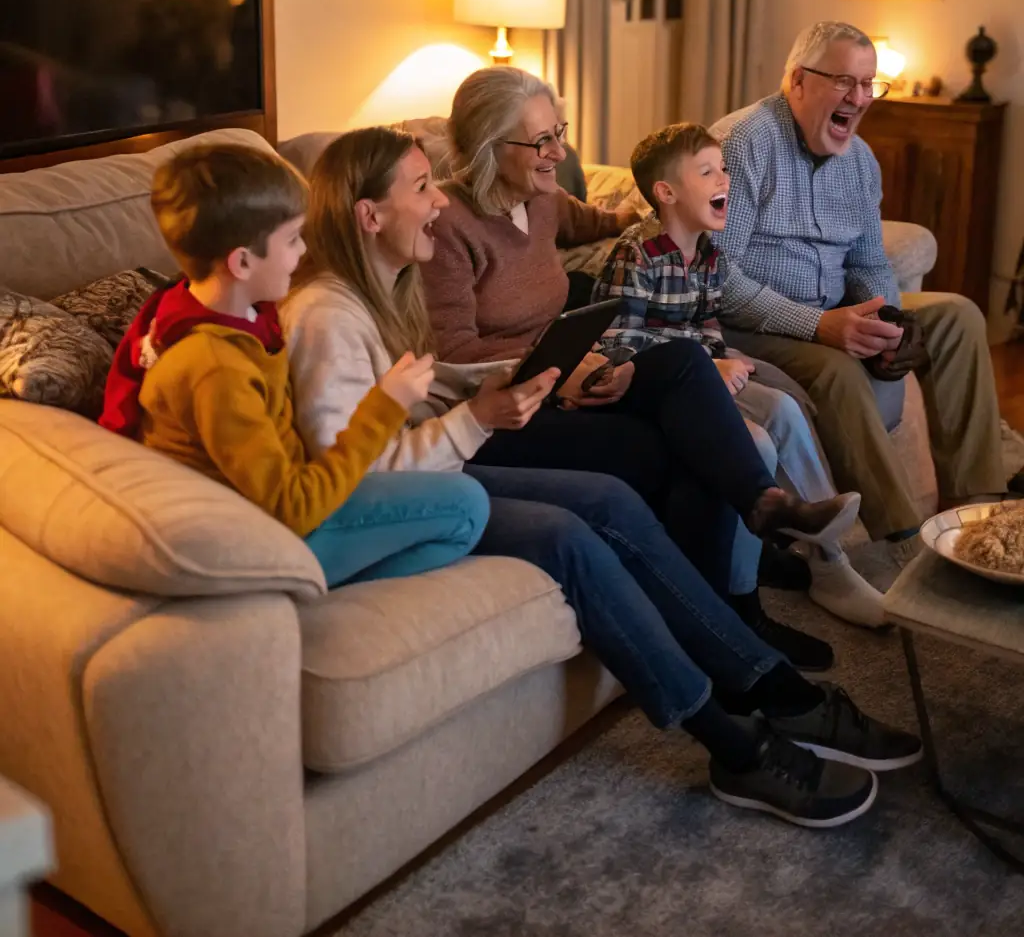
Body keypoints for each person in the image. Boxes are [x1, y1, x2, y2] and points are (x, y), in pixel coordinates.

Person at [282, 125, 922, 828]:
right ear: (369, 214)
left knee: (676, 396)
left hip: (460, 439)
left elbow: (423, 385)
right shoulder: (325, 318)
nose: (438, 202)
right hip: (432, 483)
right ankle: (744, 729)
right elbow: (355, 471)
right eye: (421, 188)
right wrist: (480, 416)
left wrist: (517, 376)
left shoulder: (385, 287)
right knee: (597, 508)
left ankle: (759, 535)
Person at [419, 66, 854, 672]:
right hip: (506, 407)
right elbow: (455, 351)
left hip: (572, 371)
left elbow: (591, 220)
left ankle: (764, 507)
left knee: (680, 358)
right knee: (684, 448)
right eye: (542, 141)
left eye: (558, 132)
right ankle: (733, 620)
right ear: (493, 148)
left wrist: (644, 219)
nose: (560, 152)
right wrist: (553, 374)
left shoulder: (540, 199)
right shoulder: (447, 227)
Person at [99, 142, 490, 587]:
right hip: (255, 540)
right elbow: (292, 507)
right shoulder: (214, 366)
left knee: (463, 502)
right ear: (242, 262)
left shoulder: (248, 319)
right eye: (292, 240)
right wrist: (385, 406)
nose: (305, 252)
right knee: (465, 505)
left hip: (284, 508)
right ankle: (303, 588)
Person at [711, 20, 1012, 559]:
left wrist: (888, 318)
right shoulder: (742, 144)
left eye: (870, 84)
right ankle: (903, 543)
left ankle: (978, 514)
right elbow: (718, 276)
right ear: (798, 81)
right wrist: (820, 326)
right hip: (752, 320)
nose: (861, 98)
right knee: (836, 368)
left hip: (832, 308)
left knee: (958, 314)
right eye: (846, 82)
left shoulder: (861, 161)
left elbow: (870, 259)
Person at [593, 121, 886, 629]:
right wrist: (708, 361)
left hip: (700, 377)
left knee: (786, 409)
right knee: (758, 440)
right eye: (707, 172)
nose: (724, 180)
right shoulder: (635, 253)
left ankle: (828, 554)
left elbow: (706, 321)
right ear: (666, 192)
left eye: (723, 169)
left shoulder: (709, 253)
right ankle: (776, 584)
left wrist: (719, 358)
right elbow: (617, 343)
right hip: (644, 388)